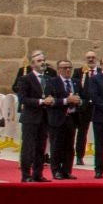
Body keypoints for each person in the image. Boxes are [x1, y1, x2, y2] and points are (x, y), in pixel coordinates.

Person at [14, 51, 62, 182]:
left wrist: (52, 99)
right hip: (30, 117)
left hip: (45, 117)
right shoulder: (25, 79)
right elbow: (23, 98)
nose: (43, 63)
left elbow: (53, 94)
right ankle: (26, 175)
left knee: (41, 147)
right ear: (32, 64)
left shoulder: (48, 79)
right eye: (39, 61)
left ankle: (38, 173)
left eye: (43, 60)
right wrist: (41, 101)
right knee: (28, 147)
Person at [46, 57, 82, 179]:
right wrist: (67, 100)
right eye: (64, 68)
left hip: (71, 117)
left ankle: (67, 170)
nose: (67, 70)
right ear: (58, 69)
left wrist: (79, 101)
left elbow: (82, 97)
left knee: (69, 146)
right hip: (57, 118)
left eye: (69, 68)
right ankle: (56, 170)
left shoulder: (76, 82)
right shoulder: (52, 82)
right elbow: (50, 101)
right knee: (56, 145)